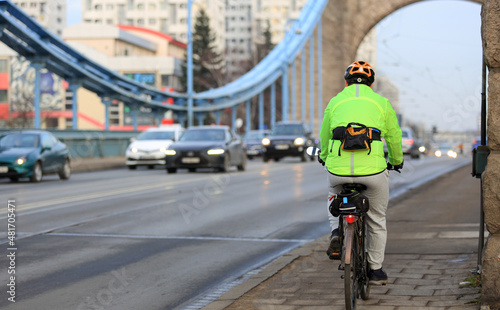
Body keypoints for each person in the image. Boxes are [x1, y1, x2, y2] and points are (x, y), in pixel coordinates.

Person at [318, 60, 404, 286]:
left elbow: (325, 135)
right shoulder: (382, 103)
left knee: (333, 194)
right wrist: (396, 161)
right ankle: (375, 270)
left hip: (338, 170)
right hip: (373, 171)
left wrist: (325, 156)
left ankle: (336, 231)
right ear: (371, 84)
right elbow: (394, 136)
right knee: (376, 219)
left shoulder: (335, 102)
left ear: (346, 82)